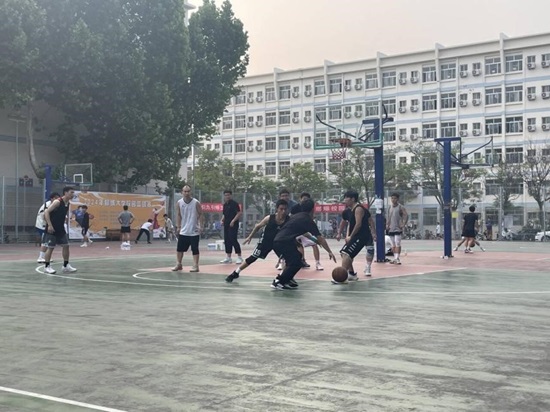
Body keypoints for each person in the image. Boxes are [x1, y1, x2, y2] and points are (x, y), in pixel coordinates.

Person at [271, 198, 336, 290]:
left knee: (297, 257)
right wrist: (329, 251)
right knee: (297, 263)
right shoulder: (307, 220)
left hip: (279, 241)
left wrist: (314, 240)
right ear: (313, 209)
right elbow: (320, 238)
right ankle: (279, 281)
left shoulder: (296, 216)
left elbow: (303, 233)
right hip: (283, 243)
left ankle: (288, 279)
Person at [225, 199, 289, 283]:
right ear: (277, 209)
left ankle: (282, 278)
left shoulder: (288, 220)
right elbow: (257, 226)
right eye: (281, 209)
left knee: (287, 259)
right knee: (253, 257)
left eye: (285, 209)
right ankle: (236, 272)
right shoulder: (269, 218)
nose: (283, 211)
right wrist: (250, 237)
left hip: (278, 243)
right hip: (265, 242)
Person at [334, 190, 376, 282]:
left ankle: (342, 277)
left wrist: (351, 236)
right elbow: (345, 223)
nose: (345, 200)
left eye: (346, 198)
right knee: (344, 253)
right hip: (356, 236)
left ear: (353, 199)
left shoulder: (358, 209)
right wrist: (340, 233)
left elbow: (358, 224)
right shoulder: (348, 211)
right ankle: (351, 274)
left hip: (362, 236)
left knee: (347, 253)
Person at [42, 186, 77, 274]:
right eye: (71, 192)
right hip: (52, 228)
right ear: (65, 193)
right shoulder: (57, 202)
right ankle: (47, 267)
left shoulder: (68, 203)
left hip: (60, 228)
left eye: (73, 192)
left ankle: (65, 266)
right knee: (50, 248)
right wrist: (49, 225)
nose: (73, 194)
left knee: (66, 245)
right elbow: (46, 212)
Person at [171, 185, 204, 272]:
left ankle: (195, 266)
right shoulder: (179, 202)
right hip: (183, 231)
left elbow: (201, 214)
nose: (186, 193)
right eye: (185, 191)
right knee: (179, 249)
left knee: (195, 249)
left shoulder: (196, 202)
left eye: (188, 191)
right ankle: (179, 264)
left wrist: (201, 226)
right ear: (182, 192)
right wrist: (178, 226)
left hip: (194, 231)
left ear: (191, 192)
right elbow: (178, 215)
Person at [291, 192, 323, 270]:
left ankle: (318, 263)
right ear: (300, 199)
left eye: (307, 199)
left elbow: (311, 220)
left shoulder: (310, 208)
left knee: (314, 244)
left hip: (305, 231)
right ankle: (302, 261)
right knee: (298, 245)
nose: (305, 200)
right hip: (296, 231)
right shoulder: (295, 208)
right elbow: (291, 217)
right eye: (304, 199)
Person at [36, 192, 60, 263]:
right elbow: (44, 216)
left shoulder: (53, 205)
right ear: (52, 198)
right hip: (42, 225)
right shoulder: (48, 205)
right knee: (45, 241)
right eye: (55, 198)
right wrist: (49, 225)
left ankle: (45, 256)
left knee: (47, 241)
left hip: (45, 225)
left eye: (58, 198)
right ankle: (41, 257)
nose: (57, 199)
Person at [220, 190, 243, 264]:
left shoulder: (234, 204)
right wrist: (222, 220)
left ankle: (239, 257)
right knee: (227, 240)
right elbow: (224, 214)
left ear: (231, 195)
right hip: (226, 224)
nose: (227, 196)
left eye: (228, 195)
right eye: (226, 195)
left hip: (233, 225)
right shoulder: (225, 205)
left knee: (233, 239)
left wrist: (233, 221)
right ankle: (228, 257)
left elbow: (239, 213)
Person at [386, 192, 408, 265]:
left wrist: (403, 223)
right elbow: (388, 217)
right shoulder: (389, 207)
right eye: (392, 198)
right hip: (391, 228)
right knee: (393, 244)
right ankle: (395, 258)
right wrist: (387, 225)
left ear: (398, 199)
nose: (393, 200)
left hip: (398, 228)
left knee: (397, 242)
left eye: (395, 198)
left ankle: (397, 258)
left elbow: (406, 215)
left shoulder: (400, 207)